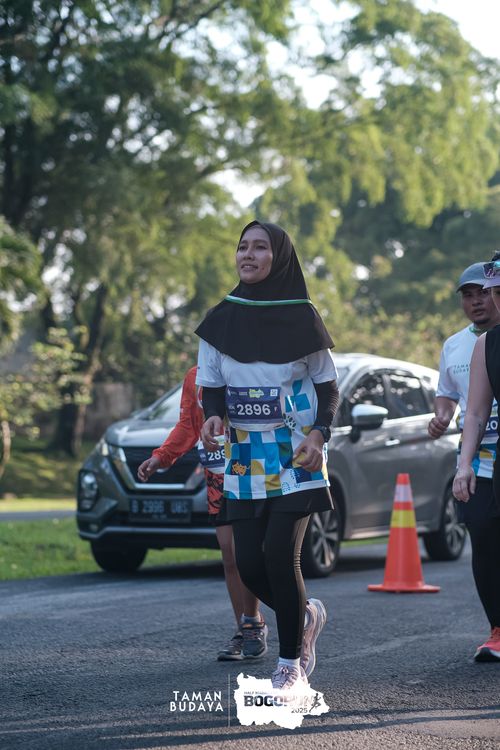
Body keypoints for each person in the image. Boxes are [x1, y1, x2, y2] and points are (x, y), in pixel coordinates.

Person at [195, 220, 339, 691]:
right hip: (243, 457)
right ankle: (306, 615)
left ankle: (289, 665)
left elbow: (329, 389)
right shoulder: (220, 319)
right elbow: (211, 388)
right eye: (242, 247)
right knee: (250, 567)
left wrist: (319, 434)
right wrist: (212, 418)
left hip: (295, 453)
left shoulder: (303, 315)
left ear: (280, 258)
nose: (248, 255)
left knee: (280, 556)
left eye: (260, 247)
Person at [137, 365, 267, 662]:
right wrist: (161, 457)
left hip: (251, 471)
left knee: (248, 553)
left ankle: (257, 621)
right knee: (229, 554)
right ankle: (245, 629)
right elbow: (188, 425)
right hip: (218, 477)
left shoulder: (249, 367)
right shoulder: (196, 376)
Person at [429, 261, 500, 662]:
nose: (477, 302)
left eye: (484, 293)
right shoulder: (457, 346)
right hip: (477, 460)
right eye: (468, 296)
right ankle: (497, 628)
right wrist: (441, 418)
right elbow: (454, 401)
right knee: (484, 541)